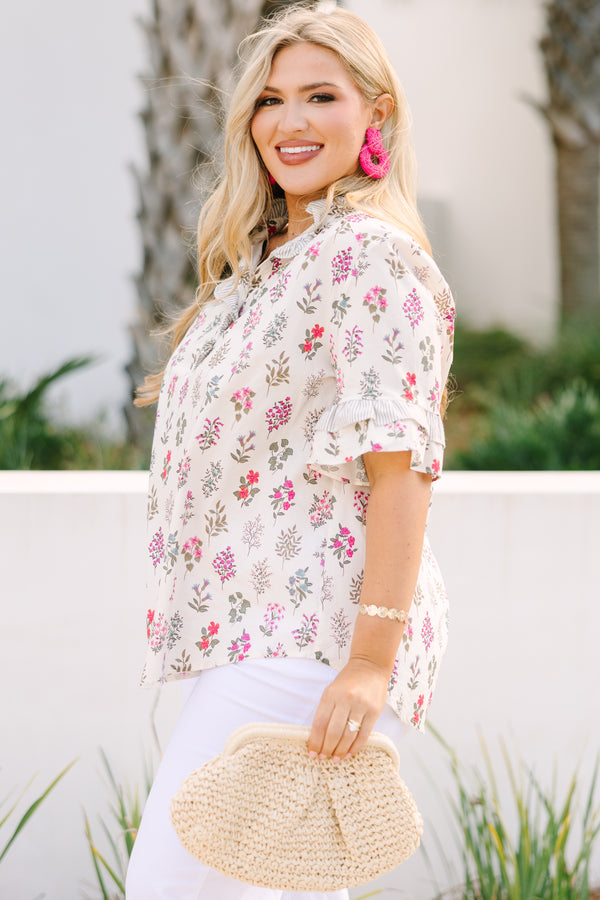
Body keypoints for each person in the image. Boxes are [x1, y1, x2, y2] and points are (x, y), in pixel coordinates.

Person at [126, 6, 455, 899]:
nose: (290, 122)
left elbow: (403, 468)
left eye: (321, 95)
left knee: (169, 884)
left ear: (375, 113)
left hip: (310, 640)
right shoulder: (264, 265)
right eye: (270, 101)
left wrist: (367, 666)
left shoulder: (370, 260)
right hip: (256, 634)